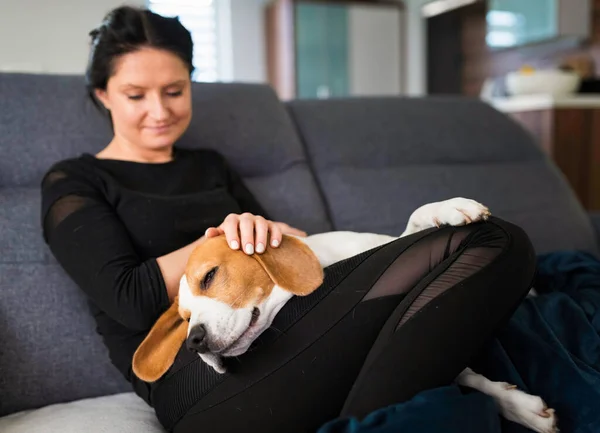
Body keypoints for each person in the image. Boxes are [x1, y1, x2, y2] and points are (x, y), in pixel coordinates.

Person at [40, 6, 537, 433]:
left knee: (495, 241)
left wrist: (262, 232)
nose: (159, 111)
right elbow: (129, 298)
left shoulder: (209, 165)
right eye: (135, 95)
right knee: (478, 247)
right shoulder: (75, 181)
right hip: (197, 380)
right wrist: (219, 242)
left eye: (174, 90)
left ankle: (402, 402)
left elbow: (284, 245)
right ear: (103, 95)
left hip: (285, 330)